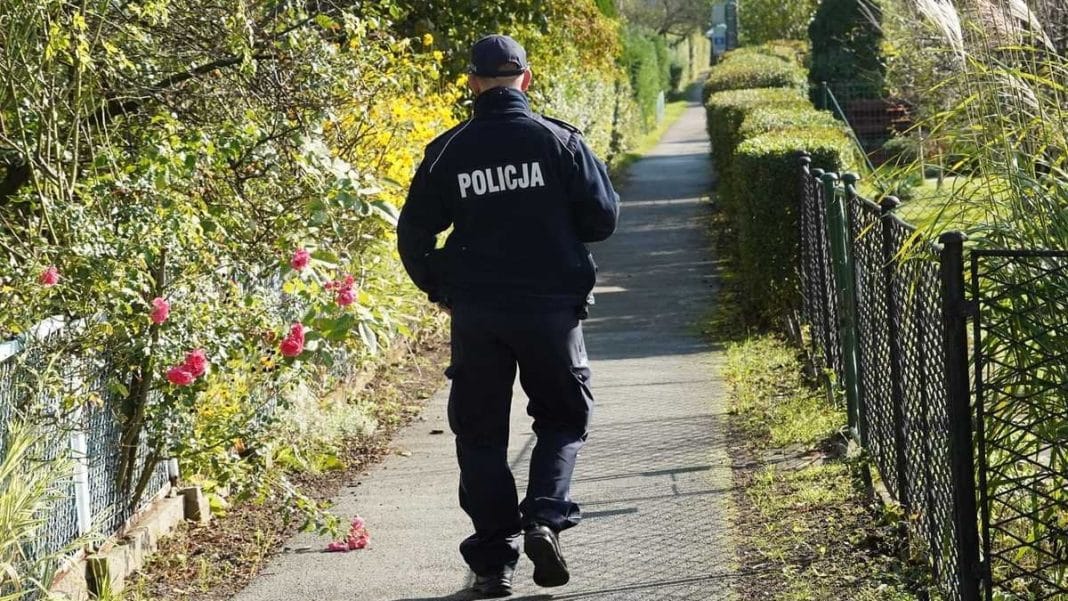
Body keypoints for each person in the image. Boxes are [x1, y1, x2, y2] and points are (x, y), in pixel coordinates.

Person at [397, 34, 619, 598]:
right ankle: (545, 518)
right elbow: (601, 220)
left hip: (479, 314)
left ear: (472, 83)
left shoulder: (449, 149)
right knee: (564, 418)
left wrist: (440, 285)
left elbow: (414, 234)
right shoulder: (561, 141)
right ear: (526, 78)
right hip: (552, 310)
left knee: (479, 434)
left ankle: (494, 563)